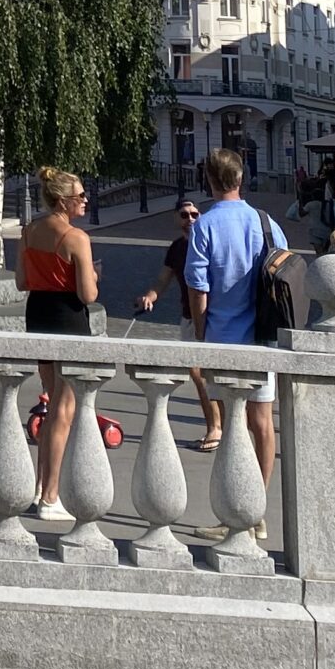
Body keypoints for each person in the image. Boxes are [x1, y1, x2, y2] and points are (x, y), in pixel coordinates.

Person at [183, 149, 291, 490]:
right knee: (262, 422)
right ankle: (258, 502)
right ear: (241, 179)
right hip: (264, 335)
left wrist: (201, 333)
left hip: (222, 336)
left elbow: (198, 288)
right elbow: (285, 273)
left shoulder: (204, 226)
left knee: (232, 424)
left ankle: (237, 501)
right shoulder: (265, 222)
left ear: (209, 180)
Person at [18, 166, 101, 523]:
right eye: (81, 195)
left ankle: (41, 487)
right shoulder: (75, 238)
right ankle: (50, 496)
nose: (85, 200)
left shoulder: (29, 231)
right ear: (64, 200)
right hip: (68, 319)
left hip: (37, 314)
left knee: (53, 404)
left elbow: (22, 282)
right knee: (63, 410)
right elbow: (88, 293)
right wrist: (94, 274)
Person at [135, 200, 222, 449]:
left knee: (200, 372)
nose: (190, 219)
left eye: (195, 214)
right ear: (177, 219)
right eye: (184, 215)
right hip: (188, 317)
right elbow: (163, 280)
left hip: (213, 315)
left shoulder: (210, 242)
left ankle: (217, 428)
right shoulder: (176, 248)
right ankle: (216, 426)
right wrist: (149, 298)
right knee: (198, 374)